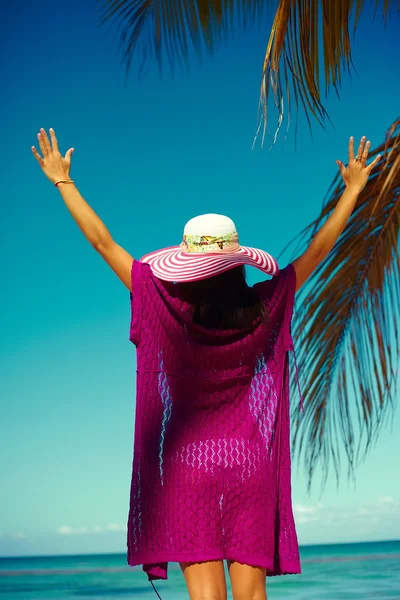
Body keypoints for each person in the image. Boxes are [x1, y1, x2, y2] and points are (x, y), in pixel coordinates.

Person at [32, 129, 380, 600]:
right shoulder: (264, 307)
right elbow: (316, 252)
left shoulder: (159, 303)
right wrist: (354, 190)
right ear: (238, 262)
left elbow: (103, 244)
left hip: (187, 465)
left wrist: (63, 182)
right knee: (252, 596)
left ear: (185, 262)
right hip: (249, 462)